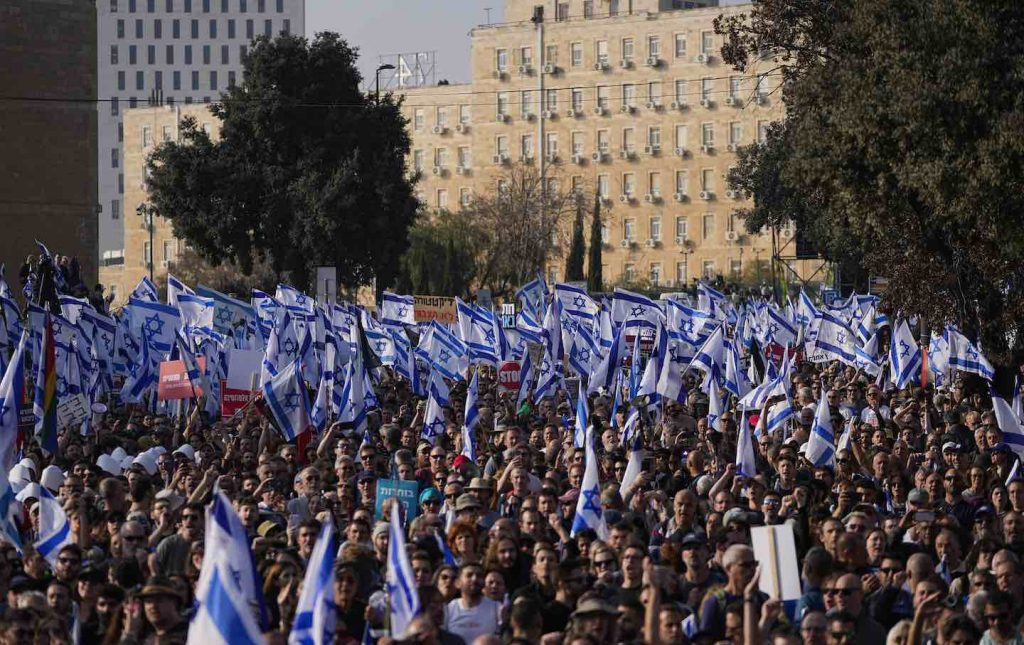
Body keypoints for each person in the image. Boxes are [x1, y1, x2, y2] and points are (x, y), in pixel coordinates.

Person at [443, 563, 502, 643]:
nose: (474, 579)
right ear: (458, 583)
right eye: (469, 575)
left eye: (479, 576)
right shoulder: (449, 610)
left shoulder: (496, 608)